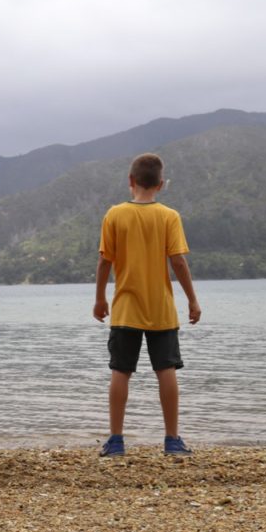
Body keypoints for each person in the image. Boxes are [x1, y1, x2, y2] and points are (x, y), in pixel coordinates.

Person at [93, 152, 201, 457]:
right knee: (166, 370)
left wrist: (100, 297)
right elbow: (178, 262)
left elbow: (104, 261)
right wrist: (192, 299)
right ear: (161, 184)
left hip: (125, 305)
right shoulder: (169, 216)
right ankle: (172, 440)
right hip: (161, 308)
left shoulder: (114, 214)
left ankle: (115, 440)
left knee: (120, 370)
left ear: (131, 181)